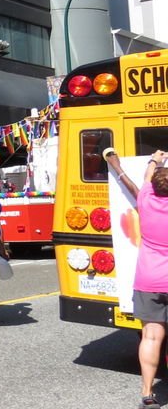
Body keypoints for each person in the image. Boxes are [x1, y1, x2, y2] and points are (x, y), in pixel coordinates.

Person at [106, 148, 168, 409]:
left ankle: (147, 394)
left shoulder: (145, 198)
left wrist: (154, 159)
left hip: (149, 280)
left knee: (151, 338)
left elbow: (140, 180)